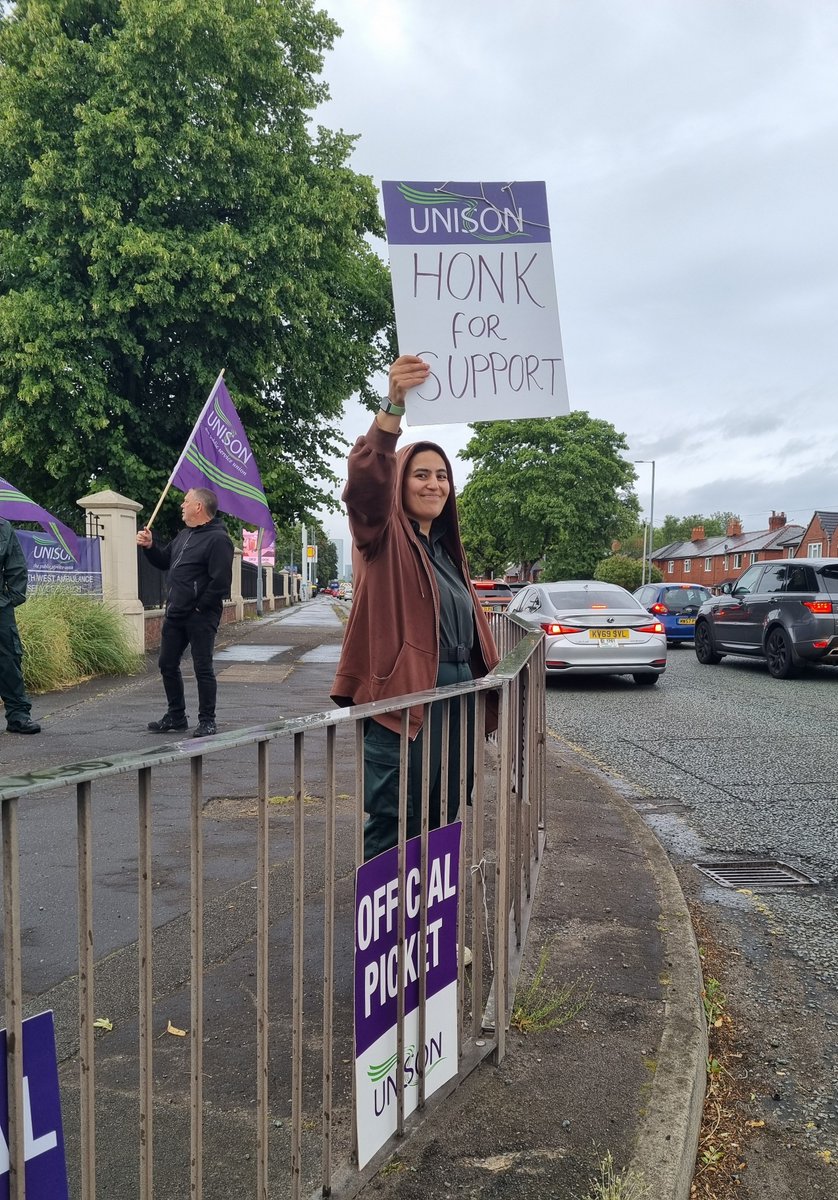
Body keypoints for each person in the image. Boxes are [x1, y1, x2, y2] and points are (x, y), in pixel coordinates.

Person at [331, 355, 499, 861]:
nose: (434, 484)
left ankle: (429, 927)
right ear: (399, 484)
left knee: (444, 815)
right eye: (420, 474)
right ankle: (386, 936)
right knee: (397, 818)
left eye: (442, 476)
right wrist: (392, 409)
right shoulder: (380, 536)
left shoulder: (446, 552)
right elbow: (365, 484)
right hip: (405, 703)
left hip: (458, 701)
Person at [137, 488, 234, 738]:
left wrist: (200, 607)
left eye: (186, 501)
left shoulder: (218, 539)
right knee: (166, 664)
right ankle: (176, 715)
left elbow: (221, 582)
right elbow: (164, 561)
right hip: (175, 613)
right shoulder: (183, 535)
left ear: (199, 507)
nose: (182, 505)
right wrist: (149, 547)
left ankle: (207, 720)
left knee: (203, 667)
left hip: (200, 615)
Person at [0, 516, 41, 734]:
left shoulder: (3, 528)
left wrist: (9, 600)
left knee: (9, 660)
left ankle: (18, 716)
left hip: (0, 608)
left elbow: (16, 567)